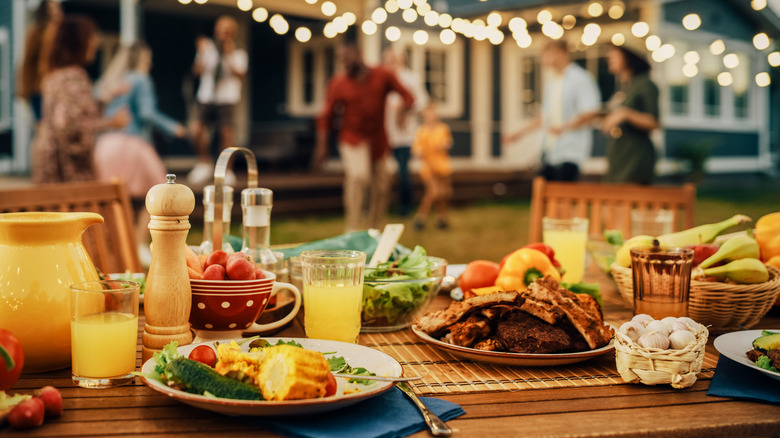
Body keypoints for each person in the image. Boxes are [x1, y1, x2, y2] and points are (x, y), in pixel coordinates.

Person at [93, 42, 188, 264]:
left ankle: (114, 249)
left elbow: (97, 101)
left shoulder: (112, 82)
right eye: (148, 59)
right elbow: (146, 113)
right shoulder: (140, 79)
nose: (151, 63)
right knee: (158, 191)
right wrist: (172, 127)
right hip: (130, 143)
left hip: (105, 145)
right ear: (141, 59)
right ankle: (137, 244)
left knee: (115, 198)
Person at [315, 42, 415, 232]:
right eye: (341, 59)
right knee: (359, 176)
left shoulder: (382, 75)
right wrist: (322, 146)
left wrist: (403, 110)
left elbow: (408, 96)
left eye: (347, 56)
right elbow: (326, 116)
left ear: (359, 53)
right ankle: (352, 229)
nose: (344, 62)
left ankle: (374, 230)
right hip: (352, 138)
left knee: (383, 183)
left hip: (378, 140)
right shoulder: (338, 83)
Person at [32, 15, 128, 184]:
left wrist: (108, 97)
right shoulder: (74, 76)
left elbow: (77, 111)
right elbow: (69, 126)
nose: (95, 43)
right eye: (91, 37)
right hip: (66, 170)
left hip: (49, 163)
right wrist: (111, 123)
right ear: (77, 42)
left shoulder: (54, 75)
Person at [503, 40, 600, 181]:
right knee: (540, 188)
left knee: (562, 192)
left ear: (562, 53)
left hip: (570, 149)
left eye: (548, 54)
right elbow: (544, 117)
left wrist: (565, 127)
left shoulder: (580, 79)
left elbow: (590, 111)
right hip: (551, 149)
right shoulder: (552, 82)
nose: (545, 59)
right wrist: (518, 133)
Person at [188, 15, 248, 187]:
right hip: (206, 96)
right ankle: (204, 164)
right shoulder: (207, 49)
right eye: (221, 30)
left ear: (233, 33)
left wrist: (229, 55)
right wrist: (200, 53)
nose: (223, 34)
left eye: (227, 31)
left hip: (227, 98)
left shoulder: (239, 52)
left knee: (227, 134)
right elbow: (197, 71)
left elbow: (240, 75)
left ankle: (226, 170)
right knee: (196, 129)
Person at [600, 44, 660, 184]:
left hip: (635, 156)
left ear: (629, 57)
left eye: (615, 54)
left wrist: (625, 114)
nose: (609, 58)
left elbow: (653, 121)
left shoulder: (645, 84)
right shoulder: (624, 87)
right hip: (619, 154)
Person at [383, 48, 428, 217]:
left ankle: (405, 206)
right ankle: (384, 205)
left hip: (404, 134)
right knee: (382, 172)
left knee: (403, 171)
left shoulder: (411, 78)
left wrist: (404, 109)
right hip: (384, 133)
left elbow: (422, 101)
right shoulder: (383, 78)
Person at [17, 0, 62, 121]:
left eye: (57, 7)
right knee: (43, 126)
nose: (55, 11)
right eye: (52, 8)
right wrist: (24, 90)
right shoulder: (36, 32)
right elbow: (27, 62)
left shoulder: (62, 32)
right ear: (44, 10)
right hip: (40, 88)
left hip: (59, 87)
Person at [412, 103, 453, 230]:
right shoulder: (422, 131)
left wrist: (442, 145)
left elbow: (448, 142)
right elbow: (416, 149)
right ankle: (420, 218)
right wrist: (419, 151)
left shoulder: (442, 128)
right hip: (428, 167)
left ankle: (442, 218)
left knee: (443, 193)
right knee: (433, 192)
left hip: (442, 166)